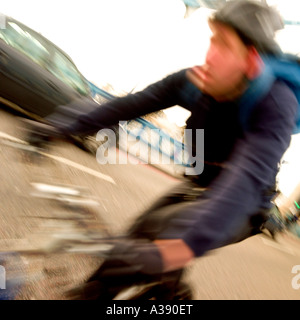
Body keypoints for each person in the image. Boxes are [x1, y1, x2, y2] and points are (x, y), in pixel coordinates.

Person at [27, 1, 298, 299]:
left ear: (251, 61)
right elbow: (126, 106)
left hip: (247, 203)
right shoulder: (194, 82)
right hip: (199, 183)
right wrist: (58, 127)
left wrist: (179, 249)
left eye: (223, 45)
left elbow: (246, 181)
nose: (209, 55)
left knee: (164, 231)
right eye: (212, 39)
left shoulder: (276, 103)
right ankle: (164, 292)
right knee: (138, 234)